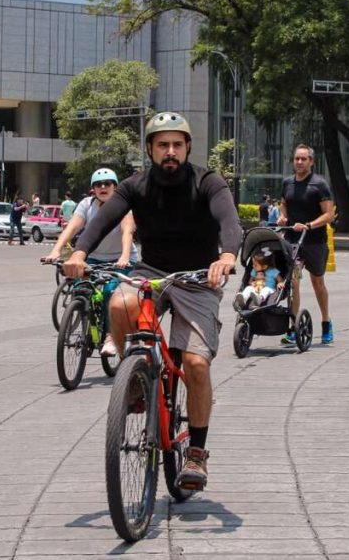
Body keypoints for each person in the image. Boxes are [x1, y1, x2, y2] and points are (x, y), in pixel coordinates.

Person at [64, 111, 241, 492]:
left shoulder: (208, 182)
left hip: (198, 277)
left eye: (177, 144)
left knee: (195, 363)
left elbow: (229, 220)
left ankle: (196, 452)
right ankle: (139, 381)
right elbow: (102, 221)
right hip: (151, 271)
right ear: (149, 149)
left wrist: (227, 256)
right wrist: (79, 253)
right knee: (119, 304)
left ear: (188, 147)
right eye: (163, 145)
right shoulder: (134, 186)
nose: (170, 152)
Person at [42, 168, 138, 355]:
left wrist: (125, 257)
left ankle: (111, 336)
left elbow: (128, 233)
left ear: (115, 187)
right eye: (98, 184)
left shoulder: (124, 205)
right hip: (93, 257)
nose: (103, 187)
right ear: (93, 189)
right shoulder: (86, 204)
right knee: (81, 286)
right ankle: (87, 322)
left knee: (111, 291)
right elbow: (72, 228)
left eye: (108, 184)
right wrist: (55, 250)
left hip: (120, 259)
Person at [277, 144, 336, 345]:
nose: (299, 162)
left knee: (317, 282)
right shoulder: (287, 183)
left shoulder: (320, 184)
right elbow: (283, 203)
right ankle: (293, 327)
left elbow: (329, 214)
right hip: (293, 240)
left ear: (311, 161)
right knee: (292, 282)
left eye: (303, 159)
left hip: (315, 241)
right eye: (297, 159)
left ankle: (326, 322)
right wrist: (283, 217)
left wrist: (309, 225)